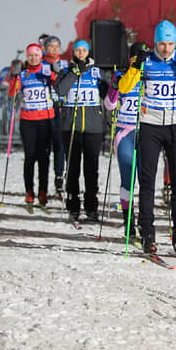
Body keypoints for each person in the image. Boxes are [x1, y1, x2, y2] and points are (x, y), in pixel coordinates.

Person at [118, 20, 176, 254]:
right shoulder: (147, 60)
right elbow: (123, 87)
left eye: (170, 44)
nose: (166, 48)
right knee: (148, 182)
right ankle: (148, 234)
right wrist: (135, 67)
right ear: (155, 42)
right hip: (150, 126)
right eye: (162, 44)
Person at [54, 40, 110, 222]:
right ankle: (73, 205)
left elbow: (108, 95)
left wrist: (108, 86)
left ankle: (92, 207)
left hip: (93, 128)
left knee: (91, 169)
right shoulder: (65, 71)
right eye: (77, 50)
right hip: (71, 127)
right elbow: (60, 91)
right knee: (73, 169)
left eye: (83, 50)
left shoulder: (96, 71)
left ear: (88, 52)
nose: (80, 53)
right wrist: (75, 71)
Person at [103, 41, 150, 240]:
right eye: (136, 55)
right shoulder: (121, 75)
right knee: (128, 179)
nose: (139, 59)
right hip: (125, 133)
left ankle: (146, 222)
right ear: (130, 57)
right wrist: (114, 87)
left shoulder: (151, 76)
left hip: (148, 132)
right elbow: (109, 105)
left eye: (143, 56)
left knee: (146, 180)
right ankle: (128, 221)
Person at [8, 43, 56, 206]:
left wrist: (55, 72)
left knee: (44, 157)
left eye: (36, 55)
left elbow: (57, 84)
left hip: (45, 119)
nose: (33, 58)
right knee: (30, 156)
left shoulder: (47, 70)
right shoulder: (23, 73)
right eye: (30, 56)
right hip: (28, 120)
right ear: (27, 57)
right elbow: (12, 93)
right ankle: (29, 191)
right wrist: (14, 77)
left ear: (40, 56)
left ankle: (43, 191)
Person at [42, 35, 67, 198]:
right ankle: (42, 181)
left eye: (57, 46)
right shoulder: (41, 63)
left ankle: (59, 179)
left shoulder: (64, 63)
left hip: (59, 107)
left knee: (60, 146)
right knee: (44, 147)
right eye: (51, 46)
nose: (54, 50)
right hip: (44, 108)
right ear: (45, 48)